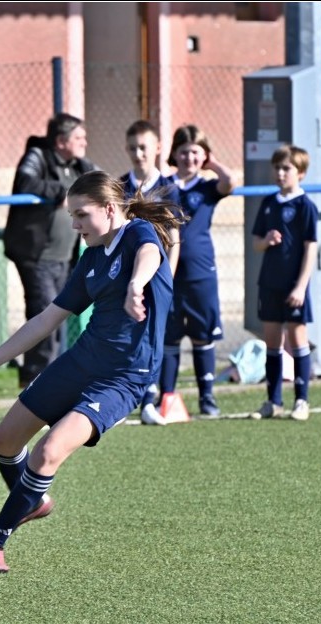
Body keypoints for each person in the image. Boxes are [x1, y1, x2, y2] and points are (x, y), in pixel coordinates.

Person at [0, 171, 179, 573]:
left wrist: (136, 286)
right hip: (81, 361)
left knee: (50, 450)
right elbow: (45, 321)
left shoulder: (139, 233)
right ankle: (31, 501)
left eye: (81, 215)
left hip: (123, 378)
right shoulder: (91, 257)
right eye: (71, 215)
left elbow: (149, 255)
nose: (74, 225)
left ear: (110, 210)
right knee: (4, 439)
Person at [3, 113, 98, 388]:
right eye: (78, 138)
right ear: (60, 141)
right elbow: (26, 182)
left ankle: (46, 377)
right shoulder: (37, 155)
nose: (84, 142)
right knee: (45, 315)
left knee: (57, 317)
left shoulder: (79, 164)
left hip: (65, 256)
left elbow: (100, 183)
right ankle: (35, 378)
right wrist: (64, 191)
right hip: (36, 255)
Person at [160, 124, 236, 417]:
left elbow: (229, 181)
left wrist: (211, 162)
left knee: (203, 336)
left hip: (201, 272)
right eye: (183, 152)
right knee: (169, 336)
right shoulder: (164, 185)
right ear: (174, 154)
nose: (189, 158)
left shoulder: (206, 188)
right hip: (169, 272)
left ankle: (207, 397)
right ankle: (166, 397)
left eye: (195, 153)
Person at [118, 119, 182, 426]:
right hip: (131, 276)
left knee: (156, 337)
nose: (138, 153)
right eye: (132, 147)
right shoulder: (121, 187)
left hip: (158, 277)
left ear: (157, 148)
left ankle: (150, 399)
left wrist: (168, 273)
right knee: (128, 336)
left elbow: (174, 235)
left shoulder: (169, 187)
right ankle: (124, 399)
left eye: (143, 147)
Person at [249, 145, 318, 422]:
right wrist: (265, 242)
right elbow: (256, 243)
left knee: (298, 340)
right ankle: (273, 401)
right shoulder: (268, 203)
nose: (279, 173)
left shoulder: (305, 206)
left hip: (294, 286)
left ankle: (301, 401)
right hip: (269, 283)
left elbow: (311, 248)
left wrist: (301, 286)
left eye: (286, 168)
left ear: (300, 173)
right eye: (276, 167)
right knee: (272, 342)